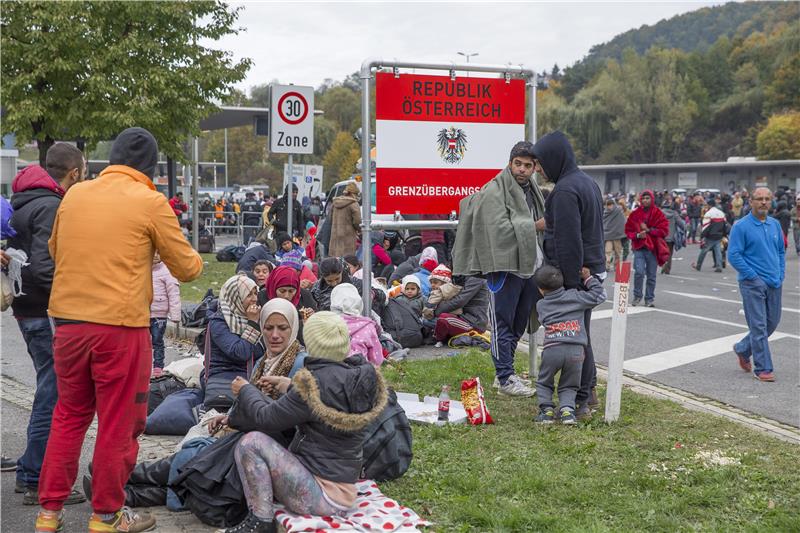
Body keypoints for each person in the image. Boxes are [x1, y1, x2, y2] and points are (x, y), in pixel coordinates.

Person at [36, 128, 203, 533]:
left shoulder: (76, 194)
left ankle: (48, 513)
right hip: (120, 326)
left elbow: (57, 249)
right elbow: (189, 268)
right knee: (118, 423)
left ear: (110, 158)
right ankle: (107, 515)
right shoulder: (150, 201)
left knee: (69, 415)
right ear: (150, 166)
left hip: (69, 324)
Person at [89, 299, 308, 516]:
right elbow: (253, 407)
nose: (275, 335)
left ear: (294, 328)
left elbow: (280, 418)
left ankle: (122, 484)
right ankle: (120, 483)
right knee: (200, 453)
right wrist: (229, 418)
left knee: (203, 459)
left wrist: (245, 396)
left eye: (282, 328)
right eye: (268, 328)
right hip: (251, 436)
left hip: (274, 448)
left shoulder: (299, 364)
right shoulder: (264, 361)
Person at [220, 311, 388, 533]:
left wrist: (246, 390)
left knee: (250, 443)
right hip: (345, 489)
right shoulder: (359, 375)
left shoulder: (310, 385)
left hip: (319, 495)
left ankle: (260, 520)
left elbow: (265, 418)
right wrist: (288, 385)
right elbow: (329, 394)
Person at [7, 144, 88, 506]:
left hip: (26, 308)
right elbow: (45, 268)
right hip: (45, 310)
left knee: (49, 388)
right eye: (82, 175)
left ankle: (32, 469)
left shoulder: (25, 199)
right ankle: (36, 476)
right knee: (52, 394)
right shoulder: (53, 205)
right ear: (73, 174)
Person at [452, 141, 545, 397]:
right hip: (503, 266)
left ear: (535, 167)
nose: (522, 170)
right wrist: (535, 226)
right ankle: (505, 378)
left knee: (518, 323)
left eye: (528, 165)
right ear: (510, 163)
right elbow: (496, 231)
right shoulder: (494, 191)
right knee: (502, 323)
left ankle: (505, 371)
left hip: (528, 265)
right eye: (518, 164)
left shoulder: (532, 188)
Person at [533, 130, 606, 417]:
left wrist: (572, 285)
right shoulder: (587, 182)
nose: (538, 168)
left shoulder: (563, 191)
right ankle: (590, 393)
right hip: (593, 268)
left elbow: (568, 240)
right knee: (581, 334)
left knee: (575, 337)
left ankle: (583, 399)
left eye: (540, 162)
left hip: (577, 275)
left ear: (554, 158)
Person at [533, 265, 606, 425]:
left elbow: (542, 320)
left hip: (553, 349)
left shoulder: (541, 305)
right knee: (570, 384)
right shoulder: (576, 296)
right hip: (576, 351)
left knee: (544, 381)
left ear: (540, 289)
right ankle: (567, 411)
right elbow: (600, 296)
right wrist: (588, 278)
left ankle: (546, 411)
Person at [728, 188, 785, 382]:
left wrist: (780, 273)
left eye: (767, 199)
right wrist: (753, 276)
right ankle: (763, 368)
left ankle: (742, 348)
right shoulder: (740, 226)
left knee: (772, 323)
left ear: (771, 202)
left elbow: (780, 252)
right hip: (752, 284)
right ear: (750, 202)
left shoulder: (775, 224)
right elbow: (733, 255)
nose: (763, 202)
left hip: (775, 282)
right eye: (759, 199)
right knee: (759, 326)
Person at [204, 274, 265, 405]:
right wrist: (253, 324)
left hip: (251, 376)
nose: (255, 299)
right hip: (226, 378)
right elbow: (240, 353)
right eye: (249, 295)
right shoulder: (219, 322)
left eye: (256, 294)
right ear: (235, 298)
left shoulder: (253, 317)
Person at [625, 190, 669, 307]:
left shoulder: (658, 213)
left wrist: (650, 230)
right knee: (639, 272)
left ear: (652, 199)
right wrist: (638, 235)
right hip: (639, 248)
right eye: (643, 198)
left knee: (651, 275)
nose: (645, 200)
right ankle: (637, 296)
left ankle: (649, 299)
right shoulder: (634, 214)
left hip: (653, 249)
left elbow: (664, 230)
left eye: (647, 198)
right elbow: (628, 231)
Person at [427, 273, 489, 349]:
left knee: (443, 318)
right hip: (461, 318)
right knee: (426, 321)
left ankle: (437, 338)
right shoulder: (464, 276)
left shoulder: (477, 278)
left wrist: (435, 311)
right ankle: (437, 335)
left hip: (473, 323)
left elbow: (459, 301)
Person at [330, 283, 385, 366]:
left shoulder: (329, 324)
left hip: (335, 367)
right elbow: (376, 355)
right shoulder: (368, 326)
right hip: (361, 368)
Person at [311, 257, 385, 314]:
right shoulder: (317, 289)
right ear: (322, 277)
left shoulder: (355, 284)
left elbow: (382, 296)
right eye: (329, 281)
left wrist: (372, 293)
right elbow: (313, 307)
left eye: (337, 279)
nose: (334, 283)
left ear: (342, 272)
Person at [150, 252, 181, 377]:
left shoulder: (167, 271)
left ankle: (158, 367)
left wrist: (175, 315)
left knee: (157, 341)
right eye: (153, 252)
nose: (156, 255)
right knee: (143, 343)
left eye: (159, 252)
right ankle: (144, 365)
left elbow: (173, 293)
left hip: (159, 314)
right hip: (142, 313)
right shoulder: (141, 269)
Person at [692, 198, 729, 273]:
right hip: (719, 235)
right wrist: (724, 235)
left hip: (710, 236)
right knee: (718, 251)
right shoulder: (721, 213)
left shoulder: (708, 214)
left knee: (704, 251)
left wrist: (702, 236)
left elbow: (706, 226)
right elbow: (725, 225)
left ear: (709, 205)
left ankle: (698, 266)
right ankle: (719, 266)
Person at [329, 181, 361, 258]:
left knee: (336, 262)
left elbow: (330, 218)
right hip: (348, 238)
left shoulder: (335, 203)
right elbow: (357, 221)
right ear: (353, 193)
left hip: (335, 237)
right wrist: (359, 230)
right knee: (347, 261)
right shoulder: (353, 204)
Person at [660, 197, 686, 275]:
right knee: (669, 253)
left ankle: (663, 264)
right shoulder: (674, 213)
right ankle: (667, 269)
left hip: (662, 236)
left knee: (661, 252)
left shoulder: (660, 213)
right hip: (671, 237)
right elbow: (682, 224)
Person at [602, 198, 626, 271]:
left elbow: (622, 222)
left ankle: (617, 266)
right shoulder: (605, 213)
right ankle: (607, 266)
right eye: (608, 205)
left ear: (613, 204)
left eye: (611, 205)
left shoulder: (618, 211)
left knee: (618, 252)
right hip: (608, 235)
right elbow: (603, 223)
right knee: (607, 251)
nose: (609, 206)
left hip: (617, 235)